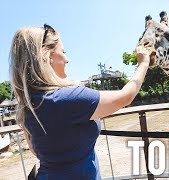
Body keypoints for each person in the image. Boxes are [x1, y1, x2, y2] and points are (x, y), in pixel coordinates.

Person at [9, 24, 150, 180]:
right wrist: (143, 63)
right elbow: (125, 97)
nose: (67, 59)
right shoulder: (68, 97)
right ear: (47, 56)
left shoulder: (28, 105)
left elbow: (37, 151)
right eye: (63, 52)